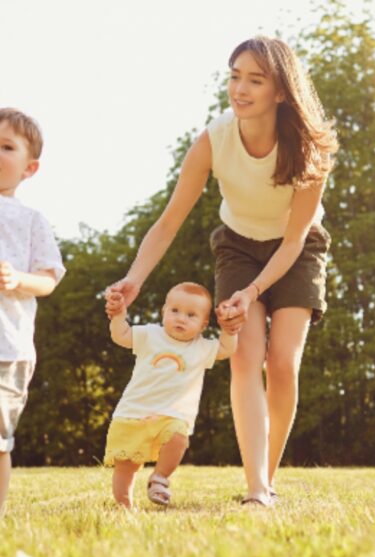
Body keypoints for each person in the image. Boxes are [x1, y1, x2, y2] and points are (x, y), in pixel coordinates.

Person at [106, 36, 338, 506]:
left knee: (283, 364)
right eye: (235, 76)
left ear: (280, 91)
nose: (240, 88)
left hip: (298, 249)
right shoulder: (214, 139)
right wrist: (135, 278)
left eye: (255, 79)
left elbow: (293, 240)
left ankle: (266, 479)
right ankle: (255, 489)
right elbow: (170, 220)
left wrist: (254, 292)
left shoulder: (310, 152)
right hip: (237, 246)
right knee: (245, 356)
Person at [104, 282, 237, 509]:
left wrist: (229, 330)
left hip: (172, 414)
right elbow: (121, 336)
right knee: (126, 466)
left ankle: (160, 478)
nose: (181, 318)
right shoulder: (149, 334)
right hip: (133, 412)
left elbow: (226, 349)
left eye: (191, 315)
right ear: (163, 312)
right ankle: (123, 506)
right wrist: (118, 316)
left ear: (204, 325)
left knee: (178, 438)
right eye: (174, 311)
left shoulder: (201, 347)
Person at [0, 108, 66, 513]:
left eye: (6, 147)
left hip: (7, 349)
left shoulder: (30, 220)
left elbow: (49, 278)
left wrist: (17, 281)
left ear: (30, 168)